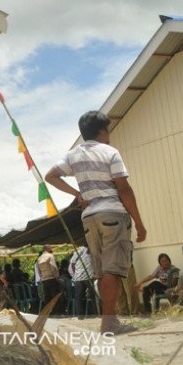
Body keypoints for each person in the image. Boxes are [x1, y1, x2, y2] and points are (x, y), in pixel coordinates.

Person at [45, 110, 147, 334]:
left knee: (102, 271)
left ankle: (109, 321)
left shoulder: (73, 155)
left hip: (89, 217)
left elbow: (50, 176)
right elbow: (124, 189)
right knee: (113, 269)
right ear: (102, 130)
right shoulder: (110, 152)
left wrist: (77, 194)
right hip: (113, 213)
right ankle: (109, 323)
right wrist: (139, 222)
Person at [70, 246, 97, 317]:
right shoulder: (93, 251)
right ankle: (95, 313)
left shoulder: (77, 251)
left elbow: (72, 263)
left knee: (78, 297)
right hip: (89, 277)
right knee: (93, 295)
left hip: (79, 277)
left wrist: (75, 273)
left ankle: (80, 314)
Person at [37, 245, 62, 314]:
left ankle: (48, 312)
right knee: (55, 296)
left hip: (44, 279)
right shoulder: (50, 256)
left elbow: (39, 270)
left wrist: (42, 277)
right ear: (48, 249)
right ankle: (56, 312)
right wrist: (57, 277)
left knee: (47, 297)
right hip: (52, 278)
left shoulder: (39, 258)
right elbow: (53, 267)